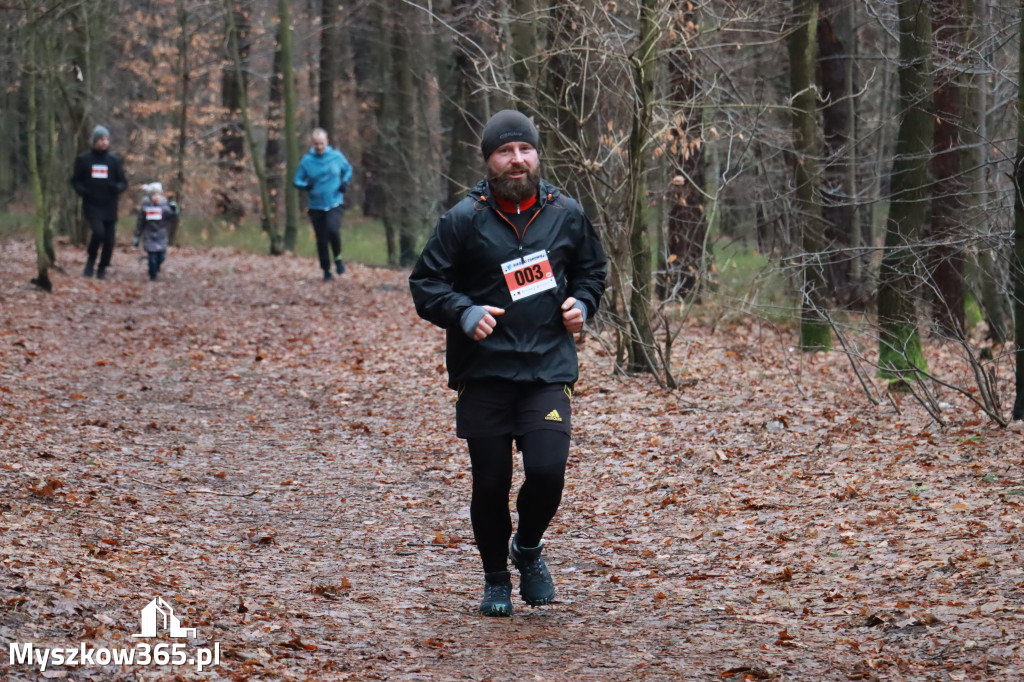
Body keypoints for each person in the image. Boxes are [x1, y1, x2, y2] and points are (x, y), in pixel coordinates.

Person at [409, 109, 607, 617]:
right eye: (505, 151)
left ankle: (529, 547)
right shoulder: (463, 220)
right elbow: (426, 285)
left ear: (537, 155)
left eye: (525, 150)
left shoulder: (566, 212)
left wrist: (582, 304)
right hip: (486, 374)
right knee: (492, 482)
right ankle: (496, 578)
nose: (517, 160)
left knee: (547, 472)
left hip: (547, 369)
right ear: (489, 161)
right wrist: (464, 310)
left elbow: (591, 271)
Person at [293, 128, 353, 281]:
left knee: (333, 230)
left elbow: (348, 169)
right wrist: (304, 186)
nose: (319, 147)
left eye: (321, 143)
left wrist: (345, 182)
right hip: (315, 205)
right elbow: (297, 179)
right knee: (321, 238)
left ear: (327, 142)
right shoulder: (307, 161)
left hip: (334, 202)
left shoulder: (336, 157)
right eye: (316, 144)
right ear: (312, 144)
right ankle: (326, 270)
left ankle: (338, 259)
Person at [70, 125, 128, 279]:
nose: (104, 142)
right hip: (92, 204)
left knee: (109, 240)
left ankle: (102, 267)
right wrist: (83, 191)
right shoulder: (84, 159)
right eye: (101, 139)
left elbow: (123, 182)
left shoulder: (114, 160)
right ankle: (90, 262)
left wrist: (116, 188)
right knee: (98, 233)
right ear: (95, 141)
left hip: (109, 204)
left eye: (107, 139)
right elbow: (75, 181)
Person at [133, 183, 177, 281]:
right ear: (150, 196)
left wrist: (174, 211)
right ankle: (152, 274)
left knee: (161, 257)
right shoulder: (145, 208)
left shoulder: (165, 208)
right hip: (149, 236)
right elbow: (140, 222)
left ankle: (156, 267)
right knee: (152, 257)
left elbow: (171, 218)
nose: (156, 197)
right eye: (154, 195)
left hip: (162, 235)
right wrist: (137, 235)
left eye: (158, 195)